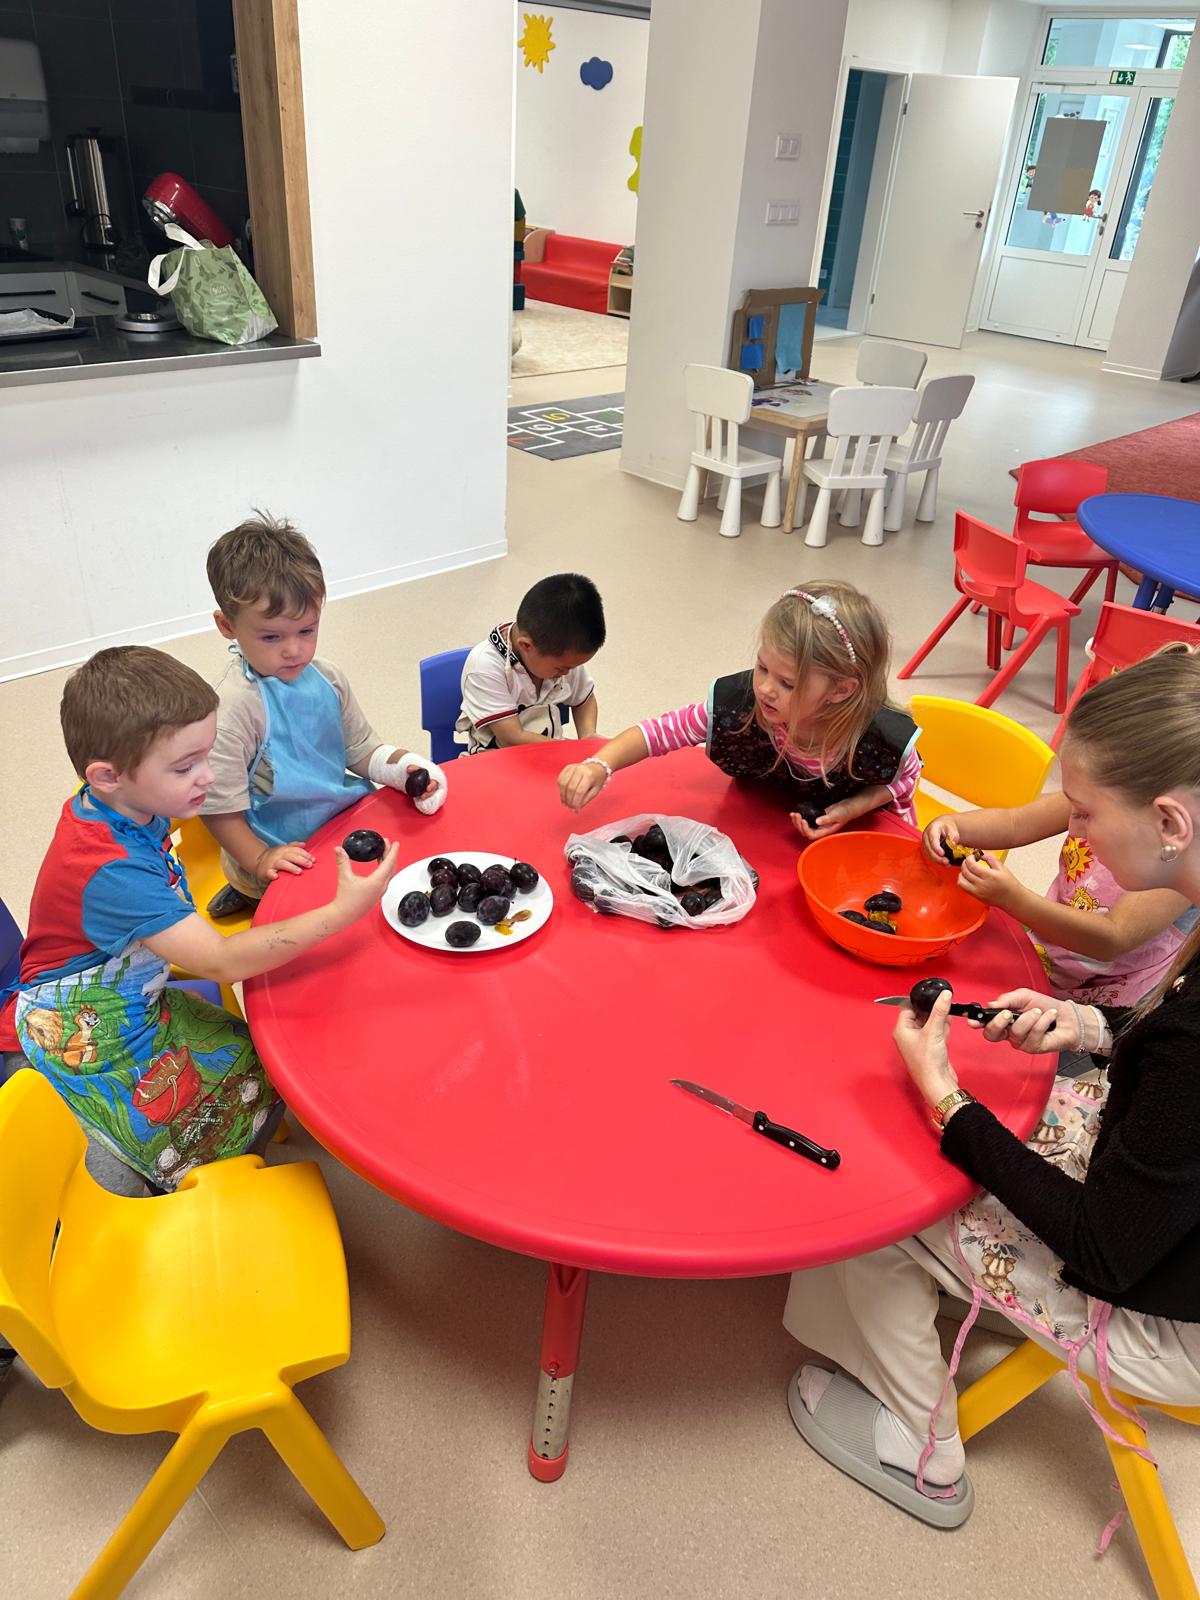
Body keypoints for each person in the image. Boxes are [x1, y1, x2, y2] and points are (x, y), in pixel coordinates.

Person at [782, 650, 1200, 1528]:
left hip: (1163, 1310)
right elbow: (1164, 1066)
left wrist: (949, 1103)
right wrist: (1088, 1026)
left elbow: (1105, 1249)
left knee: (874, 1189)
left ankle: (922, 1449)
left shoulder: (1188, 1050)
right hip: (1157, 1206)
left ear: (1169, 821)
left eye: (1084, 812)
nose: (1072, 828)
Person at [0, 646, 398, 1195]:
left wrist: (258, 854)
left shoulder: (119, 801)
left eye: (206, 756)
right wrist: (340, 914)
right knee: (146, 1165)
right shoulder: (110, 870)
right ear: (107, 776)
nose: (208, 777)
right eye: (185, 766)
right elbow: (223, 960)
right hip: (82, 1033)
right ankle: (210, 1191)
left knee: (267, 1060)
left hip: (136, 995)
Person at [200, 512, 445, 916]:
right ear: (227, 625)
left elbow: (361, 749)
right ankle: (245, 890)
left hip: (343, 826)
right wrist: (259, 859)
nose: (294, 650)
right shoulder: (231, 710)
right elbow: (219, 809)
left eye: (306, 630)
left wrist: (404, 769)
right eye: (271, 636)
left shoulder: (327, 678)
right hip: (277, 850)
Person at [558, 581, 919, 841]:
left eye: (787, 683)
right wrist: (599, 764)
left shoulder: (879, 739)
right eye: (762, 668)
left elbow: (904, 781)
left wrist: (852, 808)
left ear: (841, 690)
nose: (765, 688)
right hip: (760, 828)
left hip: (852, 849)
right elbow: (663, 731)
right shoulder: (741, 706)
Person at [924, 792, 1193, 1009]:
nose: (1074, 827)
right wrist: (954, 825)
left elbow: (1113, 937)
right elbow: (1015, 823)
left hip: (1098, 1003)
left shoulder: (1185, 856)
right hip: (1045, 952)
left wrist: (1012, 898)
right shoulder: (1098, 787)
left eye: (1086, 814)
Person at [457, 573, 605, 753]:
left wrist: (588, 735)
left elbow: (584, 699)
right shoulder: (484, 667)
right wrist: (570, 749)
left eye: (573, 667)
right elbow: (511, 738)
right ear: (526, 646)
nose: (567, 673)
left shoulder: (560, 652)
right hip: (495, 759)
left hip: (548, 752)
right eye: (562, 668)